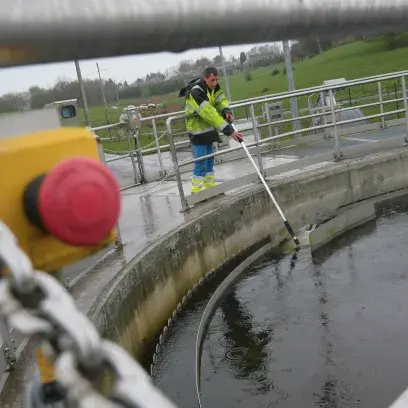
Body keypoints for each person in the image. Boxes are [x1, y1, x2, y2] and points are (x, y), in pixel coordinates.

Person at [179, 66, 244, 194]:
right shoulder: (195, 92)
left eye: (216, 80)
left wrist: (226, 110)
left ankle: (210, 188)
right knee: (201, 161)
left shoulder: (214, 87)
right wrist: (230, 131)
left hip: (208, 129)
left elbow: (221, 100)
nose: (215, 83)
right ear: (205, 78)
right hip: (197, 131)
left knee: (210, 160)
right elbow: (209, 113)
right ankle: (196, 191)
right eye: (212, 80)